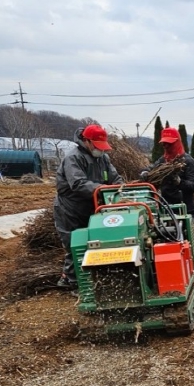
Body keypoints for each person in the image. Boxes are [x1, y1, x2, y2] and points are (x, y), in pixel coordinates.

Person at [54, 124, 124, 289]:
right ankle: (72, 282)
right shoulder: (73, 158)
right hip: (70, 208)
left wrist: (121, 190)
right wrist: (102, 189)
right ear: (87, 141)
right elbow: (78, 183)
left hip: (92, 205)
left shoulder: (103, 158)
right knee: (76, 243)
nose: (101, 149)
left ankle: (89, 277)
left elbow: (115, 177)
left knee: (94, 242)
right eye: (97, 146)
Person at [140, 127, 194, 217]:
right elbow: (151, 168)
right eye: (164, 144)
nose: (166, 146)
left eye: (169, 144)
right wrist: (145, 172)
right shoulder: (163, 160)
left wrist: (179, 182)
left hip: (185, 211)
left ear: (177, 143)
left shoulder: (188, 161)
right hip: (167, 209)